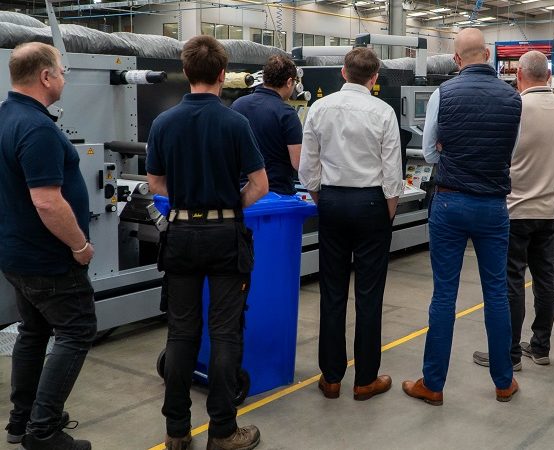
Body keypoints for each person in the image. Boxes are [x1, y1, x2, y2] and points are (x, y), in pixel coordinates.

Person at [146, 36, 269, 450]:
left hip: (180, 235)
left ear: (186, 72)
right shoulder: (235, 123)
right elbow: (260, 185)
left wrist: (187, 199)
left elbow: (155, 183)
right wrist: (229, 204)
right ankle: (223, 431)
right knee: (225, 332)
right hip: (225, 237)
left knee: (181, 332)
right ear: (222, 74)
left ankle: (176, 431)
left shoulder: (164, 123)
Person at [402, 28, 522, 405]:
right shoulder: (512, 97)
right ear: (487, 54)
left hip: (450, 203)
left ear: (456, 59)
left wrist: (449, 151)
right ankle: (503, 382)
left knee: (444, 295)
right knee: (496, 293)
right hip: (493, 206)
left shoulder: (444, 93)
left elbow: (429, 153)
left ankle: (433, 384)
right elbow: (511, 151)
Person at [0, 42, 96, 450]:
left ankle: (21, 421)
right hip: (49, 259)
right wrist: (79, 245)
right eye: (61, 71)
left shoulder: (6, 117)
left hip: (17, 255)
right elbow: (47, 201)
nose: (63, 79)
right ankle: (43, 431)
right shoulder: (37, 128)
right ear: (44, 76)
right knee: (77, 330)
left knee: (34, 331)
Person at [298, 47, 403, 402]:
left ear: (343, 72)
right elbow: (392, 173)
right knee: (369, 294)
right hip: (372, 203)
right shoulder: (383, 112)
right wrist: (387, 214)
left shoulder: (319, 108)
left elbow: (307, 169)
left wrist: (323, 199)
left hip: (331, 201)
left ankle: (331, 378)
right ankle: (365, 380)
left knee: (332, 291)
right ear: (374, 78)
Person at [471, 51, 554, 371]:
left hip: (514, 208)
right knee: (545, 277)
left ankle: (510, 354)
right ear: (548, 76)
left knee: (511, 280)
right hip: (549, 208)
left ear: (519, 76)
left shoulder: (515, 106)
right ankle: (540, 347)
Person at [232, 55, 303, 195]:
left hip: (243, 193)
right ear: (289, 82)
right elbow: (298, 163)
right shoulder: (287, 114)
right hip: (278, 194)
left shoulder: (237, 105)